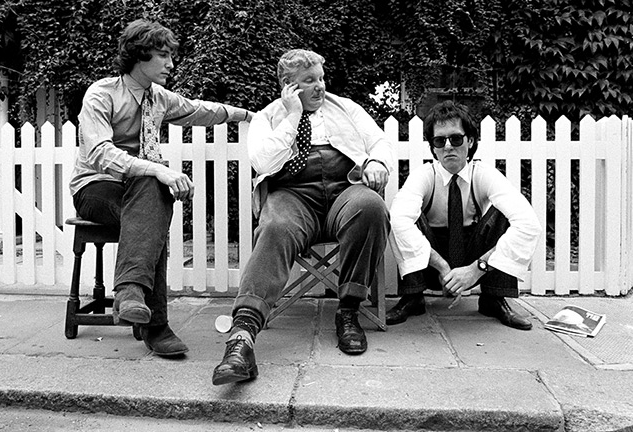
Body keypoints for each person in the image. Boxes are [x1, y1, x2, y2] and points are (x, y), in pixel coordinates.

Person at [70, 19, 253, 357]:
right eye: (162, 55)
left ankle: (130, 294)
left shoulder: (159, 98)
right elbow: (99, 154)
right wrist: (157, 169)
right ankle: (156, 327)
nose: (171, 64)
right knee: (153, 194)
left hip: (140, 194)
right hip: (97, 188)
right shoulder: (102, 94)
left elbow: (199, 110)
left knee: (151, 198)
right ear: (139, 56)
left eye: (171, 56)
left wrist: (246, 115)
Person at [212, 49, 394, 386]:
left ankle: (349, 310)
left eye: (321, 78)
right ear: (288, 86)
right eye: (309, 81)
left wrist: (377, 163)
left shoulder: (346, 108)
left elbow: (377, 141)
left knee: (371, 207)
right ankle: (242, 337)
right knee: (275, 226)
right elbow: (264, 164)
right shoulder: (268, 117)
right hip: (294, 195)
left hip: (345, 189)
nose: (320, 87)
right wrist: (293, 116)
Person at [386, 100, 542, 330]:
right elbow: (398, 220)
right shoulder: (425, 175)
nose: (448, 146)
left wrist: (475, 270)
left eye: (456, 139)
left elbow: (528, 224)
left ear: (470, 141)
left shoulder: (485, 174)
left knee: (504, 214)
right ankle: (413, 297)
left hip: (474, 255)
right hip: (431, 260)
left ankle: (494, 299)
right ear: (433, 148)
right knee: (405, 215)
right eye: (440, 141)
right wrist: (441, 267)